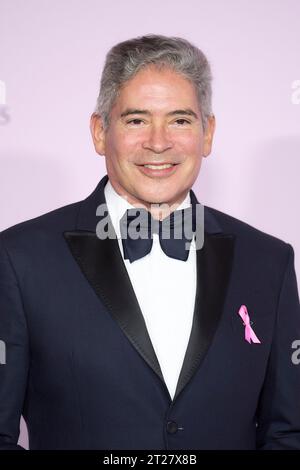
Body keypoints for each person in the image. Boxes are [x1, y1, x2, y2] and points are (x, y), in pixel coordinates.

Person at [0, 34, 299, 451]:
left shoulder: (269, 262)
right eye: (136, 120)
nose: (159, 142)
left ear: (207, 133)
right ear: (100, 132)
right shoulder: (19, 259)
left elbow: (288, 432)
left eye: (180, 120)